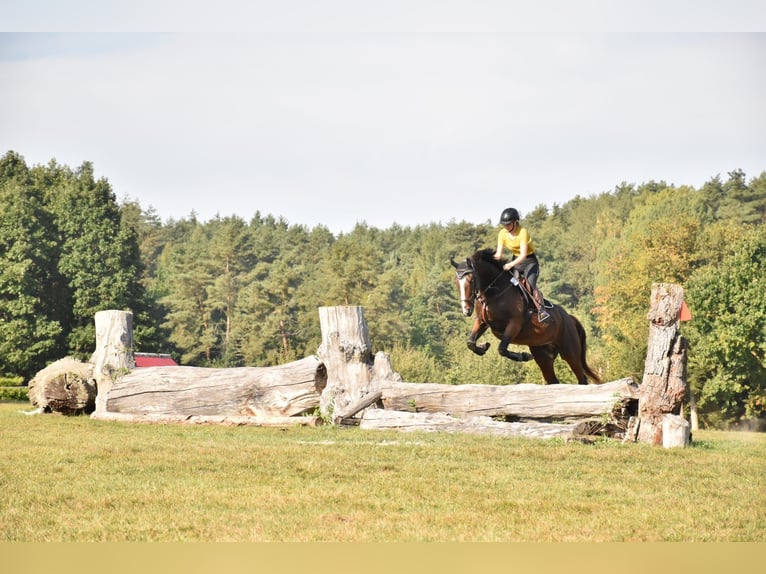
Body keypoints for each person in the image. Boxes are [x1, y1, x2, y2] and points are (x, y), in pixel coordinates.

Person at [493, 207, 551, 323]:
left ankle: (542, 311)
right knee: (511, 286)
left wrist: (510, 265)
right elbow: (498, 254)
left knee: (530, 285)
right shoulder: (502, 234)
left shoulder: (523, 232)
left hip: (529, 262)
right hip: (516, 261)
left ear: (515, 222)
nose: (506, 227)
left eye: (508, 224)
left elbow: (523, 255)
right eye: (504, 225)